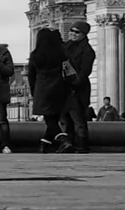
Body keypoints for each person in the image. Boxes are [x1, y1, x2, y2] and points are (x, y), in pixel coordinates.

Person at [26, 25, 70, 152]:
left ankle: (63, 140)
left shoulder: (35, 55)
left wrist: (34, 91)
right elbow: (69, 72)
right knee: (53, 118)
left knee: (49, 119)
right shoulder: (62, 54)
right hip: (58, 87)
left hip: (42, 88)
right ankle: (44, 144)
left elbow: (31, 76)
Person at [60, 20, 96, 153]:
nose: (72, 34)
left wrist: (73, 81)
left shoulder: (87, 51)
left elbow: (85, 72)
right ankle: (69, 144)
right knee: (65, 120)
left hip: (77, 90)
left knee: (78, 120)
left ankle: (81, 145)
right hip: (64, 89)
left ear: (84, 34)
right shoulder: (64, 47)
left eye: (77, 32)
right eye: (71, 31)